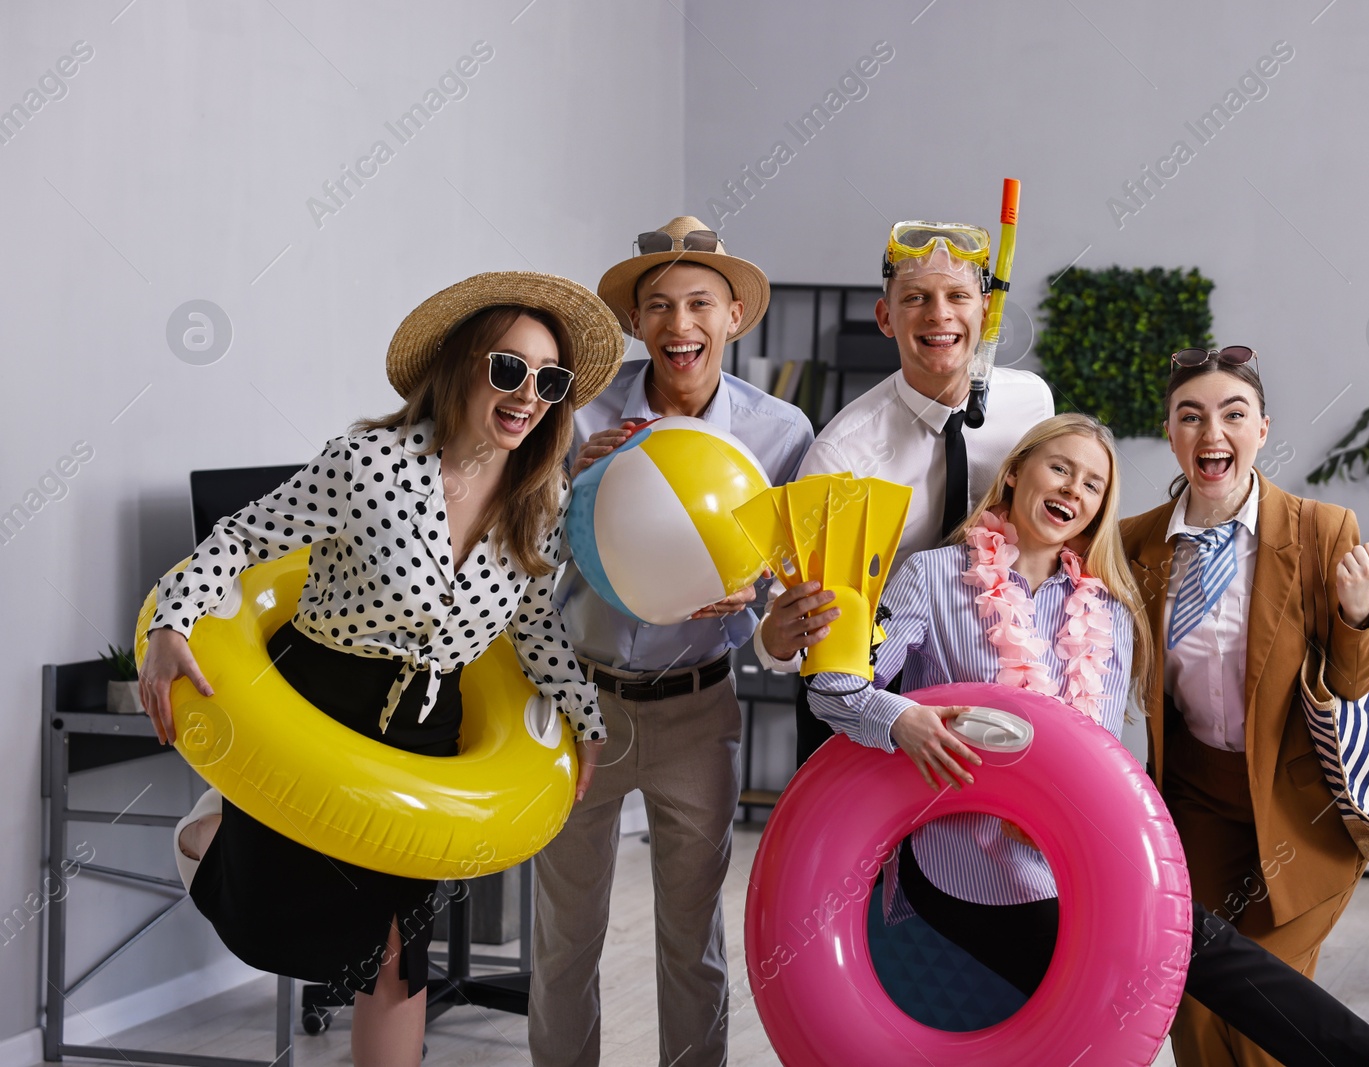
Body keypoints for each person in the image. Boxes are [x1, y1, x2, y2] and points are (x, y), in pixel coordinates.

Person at [809, 414, 1369, 1067]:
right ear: (1015, 472)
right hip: (961, 865)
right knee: (1151, 967)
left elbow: (1092, 761)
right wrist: (901, 718)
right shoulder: (930, 577)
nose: (1074, 488)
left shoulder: (1104, 610)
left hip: (1068, 863)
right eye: (1060, 467)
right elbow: (833, 689)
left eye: (1094, 483)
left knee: (1195, 939)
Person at [137, 271, 622, 1067]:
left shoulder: (542, 498)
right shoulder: (368, 465)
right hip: (322, 697)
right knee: (271, 915)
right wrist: (170, 621)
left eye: (550, 380)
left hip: (427, 728)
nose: (528, 394)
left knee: (395, 949)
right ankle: (210, 833)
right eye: (509, 368)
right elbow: (241, 538)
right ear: (465, 365)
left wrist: (587, 719)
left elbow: (533, 626)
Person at [528, 216, 813, 1067]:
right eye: (658, 305)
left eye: (698, 304)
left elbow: (796, 585)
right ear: (636, 321)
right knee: (564, 940)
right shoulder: (576, 414)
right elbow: (519, 558)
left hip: (700, 705)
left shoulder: (781, 434)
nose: (678, 325)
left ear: (735, 316)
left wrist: (757, 587)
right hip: (580, 704)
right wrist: (570, 484)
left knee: (692, 941)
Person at [1119, 346, 1369, 1067]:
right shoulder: (1133, 543)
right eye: (1192, 416)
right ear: (1171, 434)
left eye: (1233, 414)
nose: (1214, 433)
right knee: (1196, 992)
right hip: (1195, 803)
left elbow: (1357, 687)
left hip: (1299, 806)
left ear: (1262, 428)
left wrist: (1359, 614)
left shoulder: (1321, 530)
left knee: (1266, 1003)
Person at [749, 220, 1054, 764]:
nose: (939, 314)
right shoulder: (841, 454)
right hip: (870, 704)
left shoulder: (1033, 408)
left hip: (987, 692)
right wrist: (774, 636)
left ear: (986, 312)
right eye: (916, 298)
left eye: (958, 295)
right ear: (886, 318)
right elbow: (792, 623)